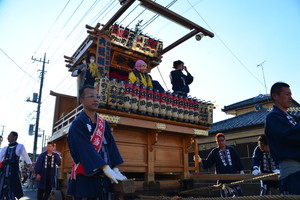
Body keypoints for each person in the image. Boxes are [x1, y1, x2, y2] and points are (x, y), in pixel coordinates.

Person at [67, 85, 127, 199]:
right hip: (86, 180)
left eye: (98, 96)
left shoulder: (104, 124)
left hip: (105, 180)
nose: (96, 99)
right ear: (82, 100)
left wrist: (114, 167)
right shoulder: (78, 124)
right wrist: (105, 167)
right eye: (91, 96)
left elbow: (111, 146)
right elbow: (84, 149)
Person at [265, 82, 300, 195]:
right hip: (292, 168)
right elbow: (289, 135)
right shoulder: (273, 117)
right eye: (287, 94)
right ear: (275, 96)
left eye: (291, 94)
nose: (290, 98)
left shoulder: (293, 117)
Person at [198, 133, 244, 197]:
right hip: (222, 179)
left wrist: (241, 170)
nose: (221, 142)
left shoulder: (231, 149)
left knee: (239, 194)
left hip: (233, 176)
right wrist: (200, 160)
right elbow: (209, 162)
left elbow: (237, 160)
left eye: (222, 140)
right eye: (219, 141)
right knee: (225, 196)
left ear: (225, 140)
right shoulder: (215, 152)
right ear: (217, 142)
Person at [0, 131, 32, 199]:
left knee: (13, 191)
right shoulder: (5, 148)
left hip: (14, 173)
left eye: (10, 135)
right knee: (1, 190)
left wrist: (31, 168)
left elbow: (26, 157)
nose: (8, 137)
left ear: (15, 137)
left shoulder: (20, 146)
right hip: (4, 173)